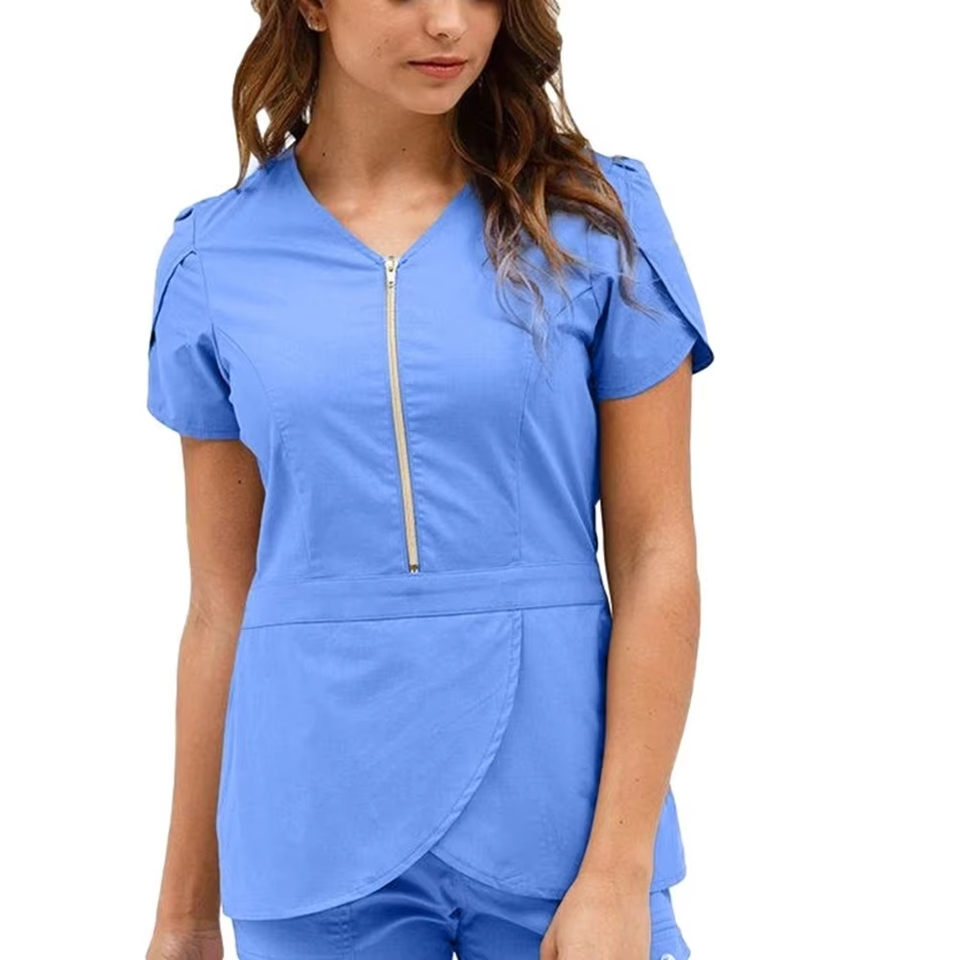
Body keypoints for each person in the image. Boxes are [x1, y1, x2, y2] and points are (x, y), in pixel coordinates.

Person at [143, 0, 715, 958]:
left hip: (563, 824)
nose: (448, 22)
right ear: (311, 5)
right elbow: (219, 606)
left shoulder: (592, 218)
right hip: (312, 831)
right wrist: (185, 914)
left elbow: (658, 552)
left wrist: (619, 873)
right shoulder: (213, 258)